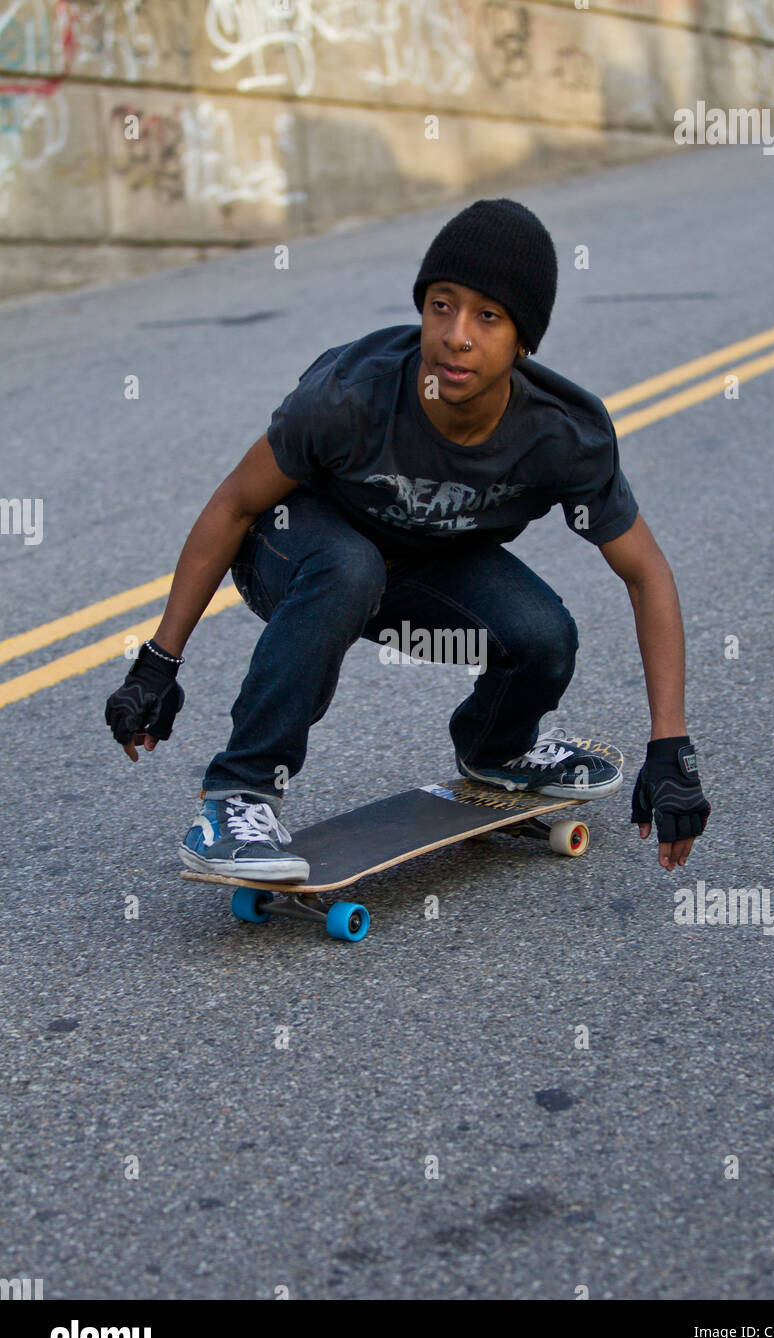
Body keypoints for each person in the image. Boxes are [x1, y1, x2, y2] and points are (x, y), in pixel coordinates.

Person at [105, 198, 710, 881]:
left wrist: (672, 746)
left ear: (523, 340)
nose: (456, 336)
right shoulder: (351, 397)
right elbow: (233, 506)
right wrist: (158, 662)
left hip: (420, 564)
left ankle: (497, 748)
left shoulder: (562, 435)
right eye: (441, 306)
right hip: (294, 555)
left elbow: (646, 572)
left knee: (543, 634)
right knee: (348, 567)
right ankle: (238, 794)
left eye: (488, 316)